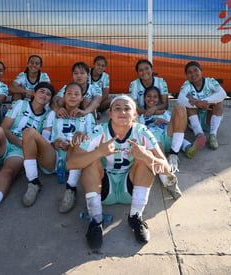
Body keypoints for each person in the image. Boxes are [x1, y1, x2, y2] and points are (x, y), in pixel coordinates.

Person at [66, 95, 177, 249]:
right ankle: (96, 221)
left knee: (146, 160)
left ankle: (135, 217)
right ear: (110, 114)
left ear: (134, 114)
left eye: (127, 108)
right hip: (104, 188)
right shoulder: (99, 131)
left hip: (130, 189)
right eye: (117, 108)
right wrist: (98, 153)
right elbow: (71, 164)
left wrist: (146, 157)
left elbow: (165, 168)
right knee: (90, 161)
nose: (122, 112)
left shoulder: (142, 131)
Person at [0, 82, 54, 221]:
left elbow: (43, 141)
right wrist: (21, 142)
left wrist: (25, 146)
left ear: (50, 99)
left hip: (22, 152)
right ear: (34, 93)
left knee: (8, 172)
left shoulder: (49, 115)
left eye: (48, 94)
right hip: (7, 142)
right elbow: (4, 127)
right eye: (42, 91)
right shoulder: (20, 104)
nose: (44, 95)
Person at [21, 82, 95, 212]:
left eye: (76, 94)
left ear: (81, 98)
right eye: (69, 93)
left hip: (75, 158)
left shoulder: (88, 116)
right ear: (64, 96)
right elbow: (44, 137)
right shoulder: (52, 114)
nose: (72, 96)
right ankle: (33, 182)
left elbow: (92, 143)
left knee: (80, 135)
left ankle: (71, 187)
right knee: (29, 132)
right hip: (53, 158)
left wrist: (73, 144)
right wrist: (52, 144)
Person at [137, 86, 206, 199]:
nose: (152, 99)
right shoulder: (140, 117)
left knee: (180, 108)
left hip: (169, 135)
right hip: (155, 139)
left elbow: (178, 125)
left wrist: (164, 121)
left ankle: (175, 153)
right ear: (144, 98)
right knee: (158, 151)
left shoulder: (166, 113)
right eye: (149, 96)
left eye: (155, 97)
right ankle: (168, 180)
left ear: (158, 99)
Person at [177, 61, 227, 150]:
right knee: (188, 104)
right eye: (189, 72)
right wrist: (197, 104)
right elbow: (180, 99)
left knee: (219, 102)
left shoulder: (210, 81)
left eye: (195, 70)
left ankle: (213, 135)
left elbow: (222, 94)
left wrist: (205, 101)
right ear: (187, 75)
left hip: (209, 119)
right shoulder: (187, 84)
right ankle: (199, 135)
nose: (193, 74)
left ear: (201, 71)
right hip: (195, 121)